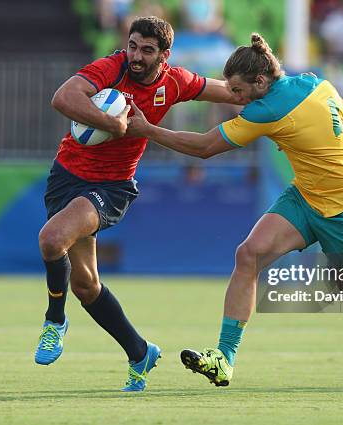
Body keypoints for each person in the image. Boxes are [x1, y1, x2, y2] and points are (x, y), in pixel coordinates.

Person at [126, 33, 343, 387]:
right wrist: (310, 140)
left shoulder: (266, 110)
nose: (234, 100)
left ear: (260, 81)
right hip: (304, 198)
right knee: (248, 255)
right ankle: (224, 357)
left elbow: (206, 147)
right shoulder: (316, 83)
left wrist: (148, 130)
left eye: (237, 91)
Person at [35, 16, 240, 392]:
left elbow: (229, 91)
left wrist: (277, 92)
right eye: (132, 46)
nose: (136, 56)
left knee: (51, 240)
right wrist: (110, 123)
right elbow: (63, 98)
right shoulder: (111, 67)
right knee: (85, 285)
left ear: (165, 55)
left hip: (111, 186)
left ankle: (54, 321)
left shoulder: (175, 82)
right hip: (66, 176)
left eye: (147, 50)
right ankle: (139, 352)